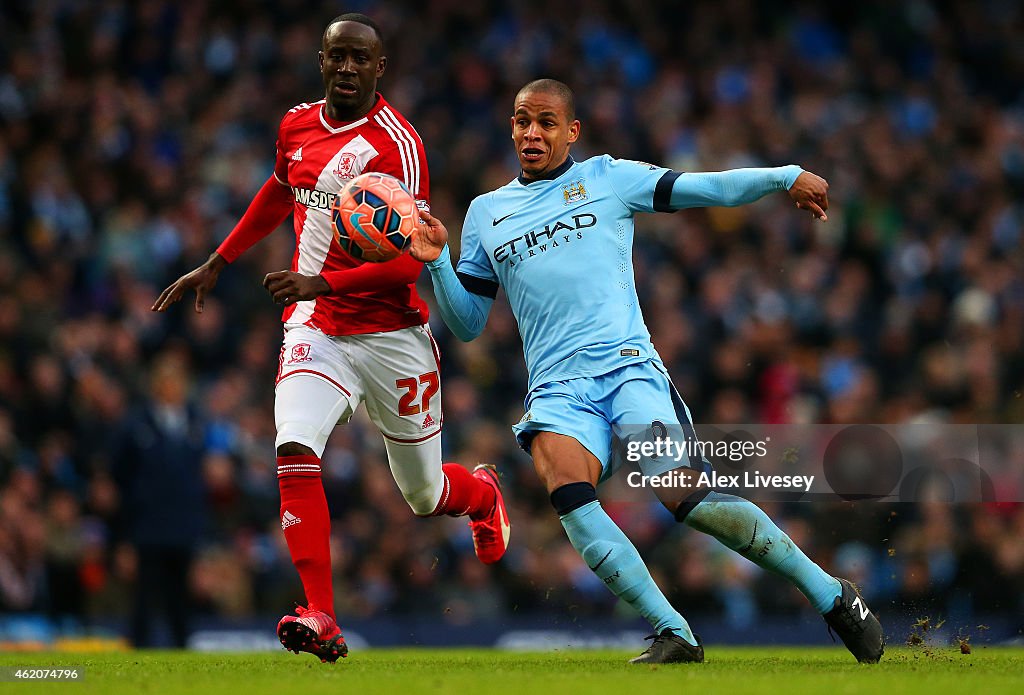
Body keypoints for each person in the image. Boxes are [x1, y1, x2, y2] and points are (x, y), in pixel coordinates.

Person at [411, 78, 884, 664]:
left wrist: (781, 176)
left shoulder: (608, 178)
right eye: (521, 120)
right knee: (564, 483)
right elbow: (466, 324)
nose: (531, 132)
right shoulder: (486, 214)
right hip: (558, 388)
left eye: (546, 122)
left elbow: (703, 189)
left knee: (689, 500)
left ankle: (831, 595)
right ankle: (673, 632)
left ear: (572, 131)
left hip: (627, 368)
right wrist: (437, 265)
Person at [152, 14, 510, 662]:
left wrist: (322, 284)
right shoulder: (295, 124)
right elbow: (277, 187)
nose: (347, 67)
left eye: (360, 58)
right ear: (321, 60)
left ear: (381, 68)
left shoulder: (399, 144)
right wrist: (218, 260)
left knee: (423, 494)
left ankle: (483, 495)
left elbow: (412, 259)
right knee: (294, 440)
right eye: (337, 56)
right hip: (315, 330)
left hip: (390, 333)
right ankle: (321, 611)